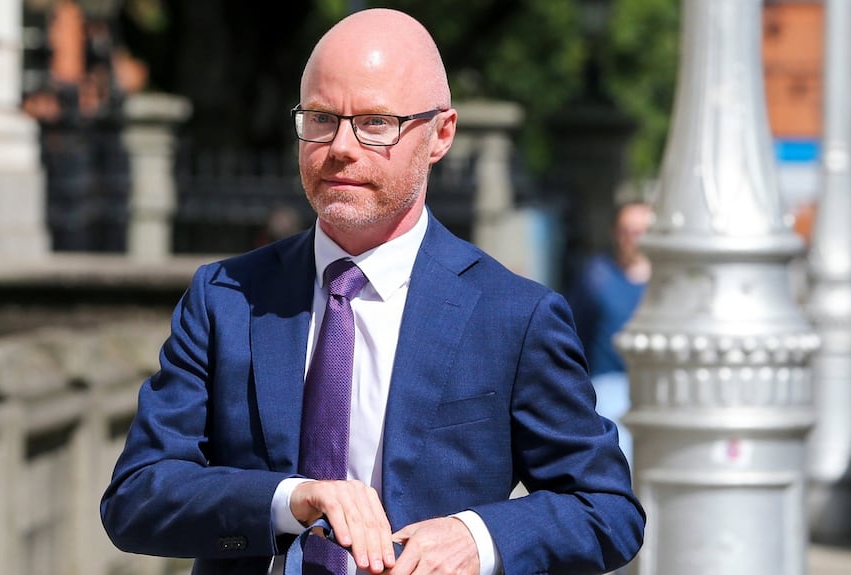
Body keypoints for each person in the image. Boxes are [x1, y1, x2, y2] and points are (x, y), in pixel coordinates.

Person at [100, 8, 645, 575]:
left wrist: (476, 537)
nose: (340, 146)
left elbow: (605, 509)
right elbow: (137, 496)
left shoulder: (513, 315)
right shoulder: (227, 297)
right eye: (320, 118)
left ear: (441, 134)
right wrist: (289, 500)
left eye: (375, 122)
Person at [566, 200, 653, 466]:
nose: (633, 239)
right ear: (616, 233)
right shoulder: (597, 276)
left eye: (641, 232)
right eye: (627, 231)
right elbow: (574, 330)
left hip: (656, 384)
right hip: (609, 383)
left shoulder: (669, 282)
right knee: (620, 456)